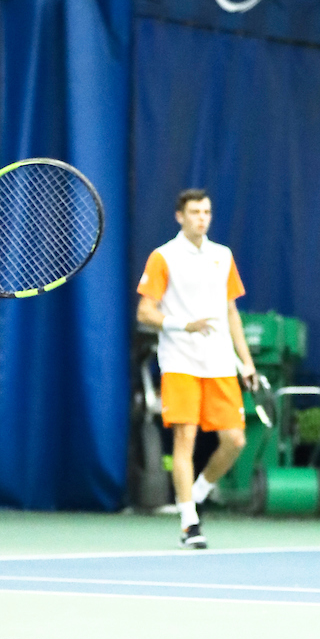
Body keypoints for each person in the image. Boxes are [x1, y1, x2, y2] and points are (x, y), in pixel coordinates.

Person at [136, 189, 258, 549]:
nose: (201, 218)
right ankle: (189, 523)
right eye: (194, 212)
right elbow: (145, 312)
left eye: (206, 211)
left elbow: (231, 311)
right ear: (180, 216)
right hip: (180, 362)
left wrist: (246, 361)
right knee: (185, 438)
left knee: (234, 440)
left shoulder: (224, 256)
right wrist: (182, 325)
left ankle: (198, 492)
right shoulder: (164, 257)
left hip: (220, 363)